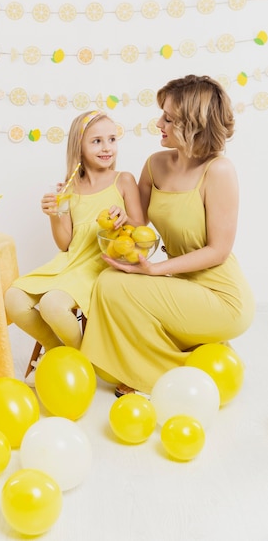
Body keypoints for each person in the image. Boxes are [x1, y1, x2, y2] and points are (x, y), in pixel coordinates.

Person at [80, 74, 255, 397]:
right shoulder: (155, 164)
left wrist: (156, 269)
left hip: (221, 294)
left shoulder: (219, 171)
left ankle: (161, 376)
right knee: (109, 281)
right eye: (162, 113)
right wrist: (118, 217)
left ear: (193, 124)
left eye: (168, 118)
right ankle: (151, 365)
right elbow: (138, 223)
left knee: (115, 285)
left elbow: (218, 250)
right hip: (182, 283)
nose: (158, 122)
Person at [4, 110, 145, 384]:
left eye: (112, 139)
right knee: (13, 298)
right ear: (78, 146)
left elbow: (141, 228)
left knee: (53, 304)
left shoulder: (123, 180)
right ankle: (60, 351)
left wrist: (124, 218)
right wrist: (55, 214)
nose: (107, 147)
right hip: (70, 262)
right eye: (97, 141)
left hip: (102, 265)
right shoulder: (69, 187)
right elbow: (65, 243)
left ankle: (82, 360)